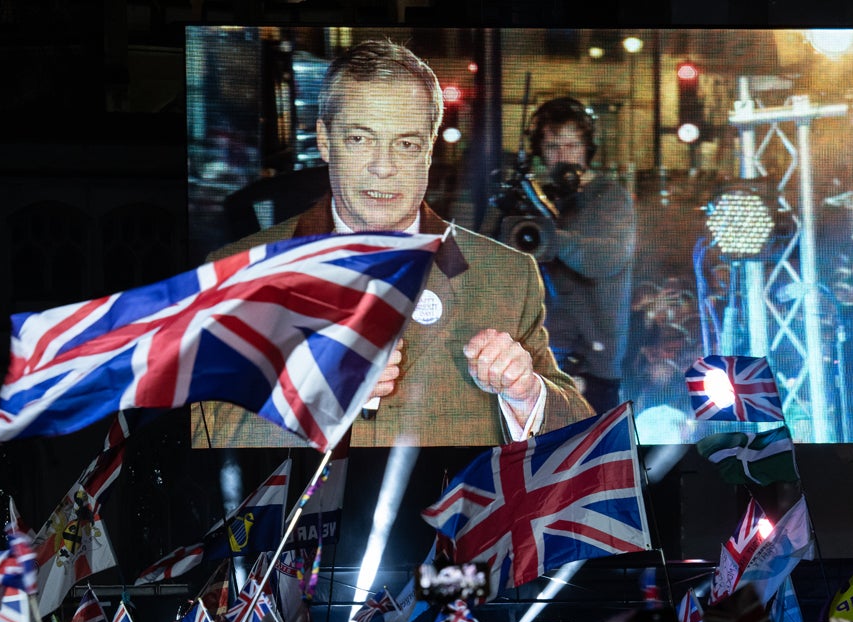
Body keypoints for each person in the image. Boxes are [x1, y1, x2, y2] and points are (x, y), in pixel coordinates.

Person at [191, 38, 592, 449]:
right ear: (325, 141)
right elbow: (202, 437)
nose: (384, 167)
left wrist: (527, 396)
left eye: (406, 144)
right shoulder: (235, 271)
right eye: (360, 139)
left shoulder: (507, 276)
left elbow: (582, 442)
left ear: (430, 150)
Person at [486, 96, 637, 415]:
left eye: (571, 145)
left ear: (588, 149)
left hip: (591, 364)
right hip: (535, 361)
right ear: (540, 151)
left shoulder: (609, 196)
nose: (563, 156)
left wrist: (552, 238)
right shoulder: (530, 199)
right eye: (554, 147)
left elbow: (607, 257)